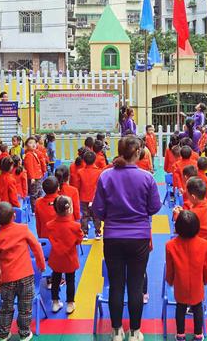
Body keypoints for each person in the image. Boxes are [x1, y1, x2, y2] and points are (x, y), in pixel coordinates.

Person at [92, 135, 162, 341]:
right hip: (139, 238)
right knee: (135, 285)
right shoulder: (146, 178)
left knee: (115, 284)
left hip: (113, 236)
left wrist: (111, 217)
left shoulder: (106, 176)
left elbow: (98, 209)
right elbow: (154, 207)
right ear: (138, 153)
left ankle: (116, 331)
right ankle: (135, 332)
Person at [0, 202, 45, 341]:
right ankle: (24, 333)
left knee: (6, 307)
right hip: (26, 276)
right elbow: (36, 247)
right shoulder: (23, 229)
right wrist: (41, 264)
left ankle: (3, 334)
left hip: (7, 280)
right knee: (25, 306)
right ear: (14, 216)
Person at [166, 210, 207, 341]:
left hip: (180, 284)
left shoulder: (170, 245)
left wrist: (170, 280)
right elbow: (206, 267)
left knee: (180, 308)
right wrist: (206, 280)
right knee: (197, 308)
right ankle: (198, 334)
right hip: (197, 284)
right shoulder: (204, 244)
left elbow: (170, 268)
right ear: (197, 226)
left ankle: (180, 334)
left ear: (177, 227)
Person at [47, 195, 84, 314]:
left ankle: (55, 302)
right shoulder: (75, 226)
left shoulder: (50, 225)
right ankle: (70, 303)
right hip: (70, 258)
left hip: (56, 258)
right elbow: (79, 240)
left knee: (56, 279)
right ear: (69, 209)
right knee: (70, 280)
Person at [79, 150, 102, 240]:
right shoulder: (99, 172)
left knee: (85, 215)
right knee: (96, 215)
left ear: (84, 160)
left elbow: (78, 185)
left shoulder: (80, 172)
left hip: (84, 197)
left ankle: (85, 233)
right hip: (95, 198)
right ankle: (97, 232)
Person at [24, 137, 44, 212]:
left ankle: (38, 208)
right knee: (34, 194)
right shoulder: (29, 155)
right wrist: (32, 177)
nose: (33, 144)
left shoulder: (33, 153)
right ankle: (34, 210)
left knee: (39, 192)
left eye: (34, 143)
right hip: (35, 178)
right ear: (26, 145)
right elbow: (30, 167)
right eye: (30, 143)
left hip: (38, 176)